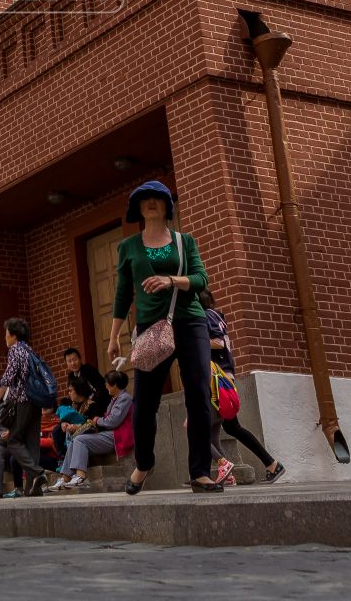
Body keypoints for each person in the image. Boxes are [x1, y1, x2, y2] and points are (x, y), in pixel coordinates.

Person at [104, 179, 223, 494]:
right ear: (138, 208)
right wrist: (114, 337)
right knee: (144, 403)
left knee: (198, 393)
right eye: (145, 199)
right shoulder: (129, 246)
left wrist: (171, 280)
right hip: (150, 328)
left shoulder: (185, 241)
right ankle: (144, 463)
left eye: (158, 197)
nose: (152, 202)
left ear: (167, 206)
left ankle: (199, 472)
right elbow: (121, 294)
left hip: (190, 323)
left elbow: (201, 279)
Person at [202, 301, 285, 485]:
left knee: (199, 428)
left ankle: (215, 470)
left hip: (218, 379)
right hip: (222, 377)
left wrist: (196, 342)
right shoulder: (216, 316)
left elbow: (218, 342)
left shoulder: (208, 315)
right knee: (228, 427)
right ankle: (267, 465)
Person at [0, 318, 57, 499]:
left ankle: (37, 473)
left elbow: (8, 377)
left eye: (6, 334)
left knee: (13, 440)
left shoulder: (15, 350)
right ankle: (33, 488)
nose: (5, 338)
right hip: (35, 402)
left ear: (13, 336)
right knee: (31, 446)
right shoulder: (29, 350)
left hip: (22, 402)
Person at [48, 370, 134, 491]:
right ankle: (65, 478)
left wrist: (98, 420)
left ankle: (80, 476)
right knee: (75, 440)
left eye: (107, 383)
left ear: (114, 385)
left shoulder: (124, 398)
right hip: (111, 434)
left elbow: (113, 421)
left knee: (80, 440)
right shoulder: (116, 398)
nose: (105, 386)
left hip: (119, 435)